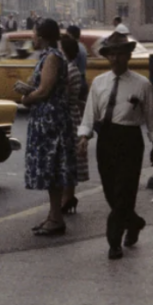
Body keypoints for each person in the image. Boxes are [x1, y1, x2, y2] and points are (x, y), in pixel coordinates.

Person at [77, 30, 153, 260]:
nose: (115, 59)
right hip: (106, 138)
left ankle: (114, 242)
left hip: (130, 139)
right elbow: (89, 113)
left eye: (120, 54)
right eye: (111, 55)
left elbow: (152, 117)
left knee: (125, 191)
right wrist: (84, 136)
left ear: (128, 56)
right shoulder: (99, 83)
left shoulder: (142, 84)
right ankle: (133, 222)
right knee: (110, 192)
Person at [15, 19, 75, 237]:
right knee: (52, 170)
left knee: (52, 168)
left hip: (50, 120)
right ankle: (53, 215)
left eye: (34, 34)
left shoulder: (52, 57)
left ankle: (56, 218)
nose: (32, 38)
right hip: (49, 118)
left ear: (41, 36)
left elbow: (45, 91)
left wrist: (26, 98)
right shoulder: (50, 56)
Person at [59, 36, 88, 216]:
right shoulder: (74, 69)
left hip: (68, 118)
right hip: (74, 116)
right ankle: (69, 196)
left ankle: (67, 197)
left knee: (67, 159)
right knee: (70, 159)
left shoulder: (68, 70)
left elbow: (63, 96)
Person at [65, 25, 89, 98]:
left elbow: (72, 65)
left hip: (76, 80)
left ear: (71, 35)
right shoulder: (82, 46)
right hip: (82, 78)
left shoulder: (74, 48)